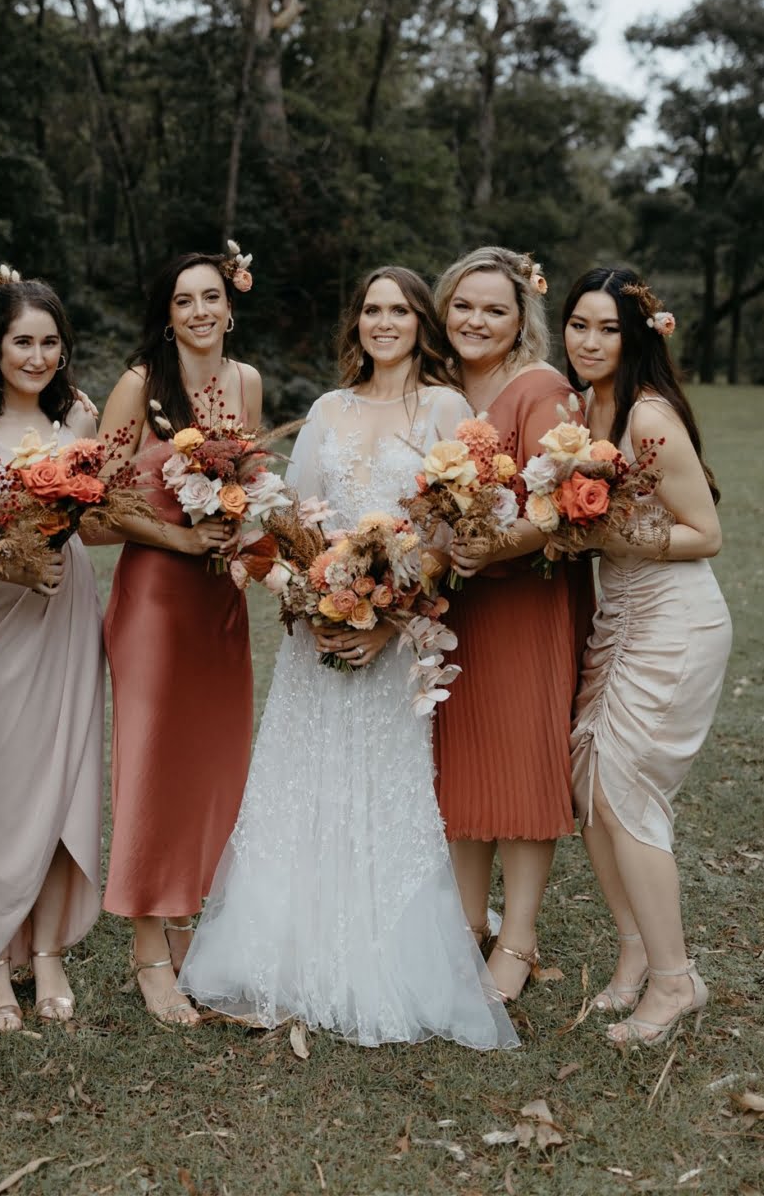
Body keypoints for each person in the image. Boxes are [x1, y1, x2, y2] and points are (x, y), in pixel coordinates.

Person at [179, 268, 518, 1050]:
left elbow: (448, 539)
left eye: (399, 310)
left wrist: (387, 621)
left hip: (396, 641)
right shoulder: (328, 409)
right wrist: (311, 600)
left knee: (383, 789)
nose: (384, 322)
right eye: (371, 309)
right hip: (317, 638)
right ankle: (287, 948)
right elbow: (292, 526)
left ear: (421, 322)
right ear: (356, 323)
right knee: (303, 781)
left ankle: (386, 954)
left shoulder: (446, 408)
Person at [563, 267, 731, 1045]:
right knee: (590, 785)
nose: (591, 342)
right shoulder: (581, 410)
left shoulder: (648, 416)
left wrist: (608, 533)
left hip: (675, 622)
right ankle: (635, 952)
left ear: (635, 337)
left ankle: (676, 980)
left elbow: (706, 533)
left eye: (608, 329)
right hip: (619, 618)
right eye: (580, 325)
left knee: (627, 793)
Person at [97, 250, 261, 1026]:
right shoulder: (139, 386)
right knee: (154, 764)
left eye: (211, 296)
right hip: (158, 602)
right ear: (166, 315)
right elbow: (97, 505)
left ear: (230, 306)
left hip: (219, 602)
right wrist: (181, 539)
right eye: (183, 299)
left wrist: (241, 543)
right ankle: (148, 951)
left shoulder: (247, 381)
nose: (199, 311)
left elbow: (248, 489)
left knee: (213, 766)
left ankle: (190, 919)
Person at [431, 245, 591, 1002]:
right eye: (463, 305)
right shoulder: (439, 387)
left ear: (521, 319)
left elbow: (564, 504)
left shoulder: (540, 388)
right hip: (459, 606)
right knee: (462, 764)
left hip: (526, 603)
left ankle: (518, 939)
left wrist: (494, 544)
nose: (476, 320)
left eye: (495, 309)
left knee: (524, 767)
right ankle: (467, 925)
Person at [0, 270, 104, 1032]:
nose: (37, 356)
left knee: (62, 777)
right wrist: (3, 560)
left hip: (65, 609)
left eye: (50, 342)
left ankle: (46, 952)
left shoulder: (80, 416)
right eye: (22, 342)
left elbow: (96, 518)